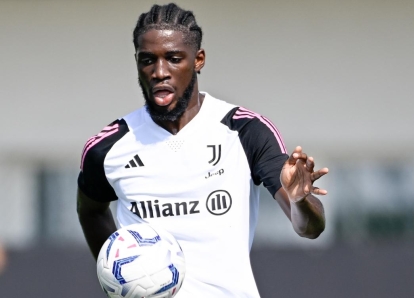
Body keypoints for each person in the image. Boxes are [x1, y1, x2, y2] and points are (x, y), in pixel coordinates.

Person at [77, 3, 328, 297]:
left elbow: (309, 228)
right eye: (148, 60)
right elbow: (90, 212)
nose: (160, 72)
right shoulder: (108, 148)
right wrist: (120, 279)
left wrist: (300, 200)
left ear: (198, 60)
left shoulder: (245, 131)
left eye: (173, 59)